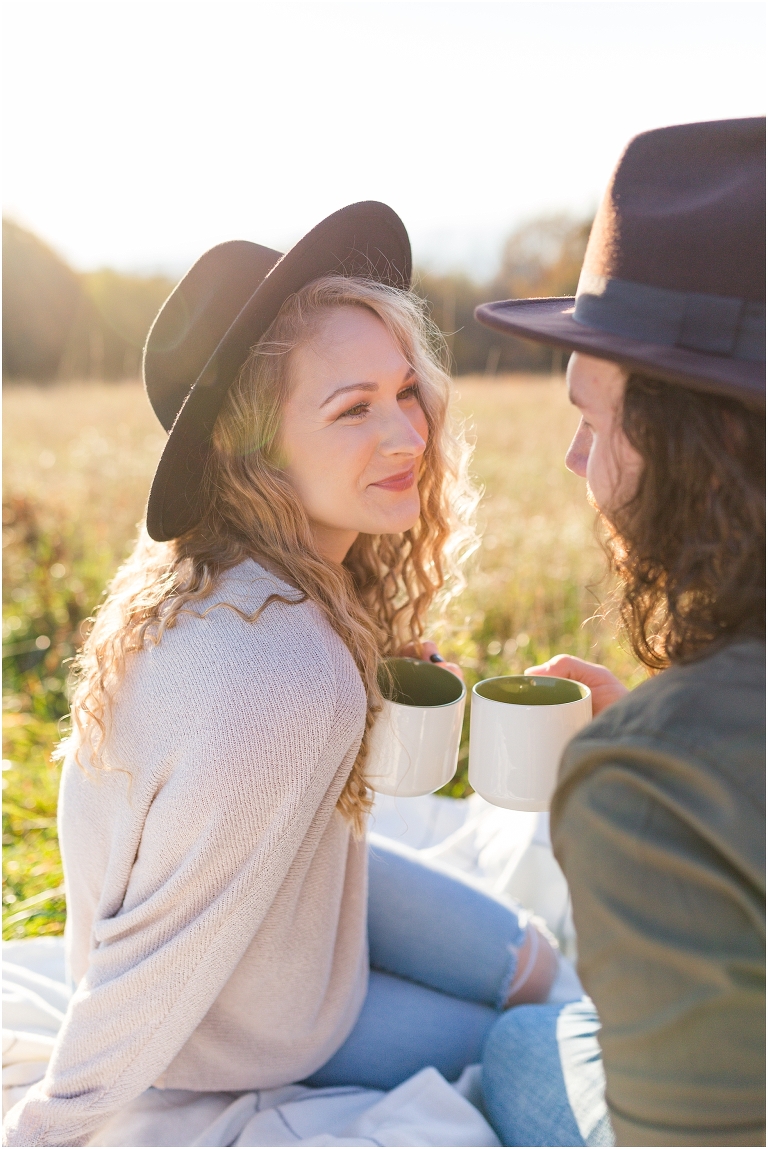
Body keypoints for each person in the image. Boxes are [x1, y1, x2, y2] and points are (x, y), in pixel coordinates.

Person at [2, 202, 560, 1147]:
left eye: (404, 390)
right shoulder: (278, 672)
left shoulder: (229, 575)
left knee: (536, 959)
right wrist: (48, 1128)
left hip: (312, 891)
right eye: (352, 409)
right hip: (236, 1025)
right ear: (254, 449)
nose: (409, 434)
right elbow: (157, 951)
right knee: (523, 1030)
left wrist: (371, 684)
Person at [475, 118, 765, 1146]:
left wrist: (650, 769)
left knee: (522, 1046)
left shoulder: (653, 786)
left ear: (712, 443)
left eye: (594, 420)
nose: (572, 460)